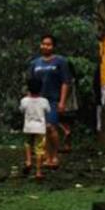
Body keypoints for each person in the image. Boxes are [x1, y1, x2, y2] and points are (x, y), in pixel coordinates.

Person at [28, 34, 71, 169]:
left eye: (49, 44)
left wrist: (62, 101)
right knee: (42, 130)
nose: (46, 46)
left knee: (51, 127)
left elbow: (66, 82)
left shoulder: (60, 62)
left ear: (53, 46)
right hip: (38, 100)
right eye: (43, 44)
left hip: (53, 99)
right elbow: (31, 83)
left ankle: (55, 155)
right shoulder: (34, 63)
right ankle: (47, 157)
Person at [20, 77, 51, 180]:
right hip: (40, 128)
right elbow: (48, 111)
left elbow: (21, 110)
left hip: (28, 127)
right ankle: (38, 172)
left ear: (28, 89)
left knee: (28, 143)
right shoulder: (44, 101)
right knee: (39, 149)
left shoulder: (24, 100)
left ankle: (28, 161)